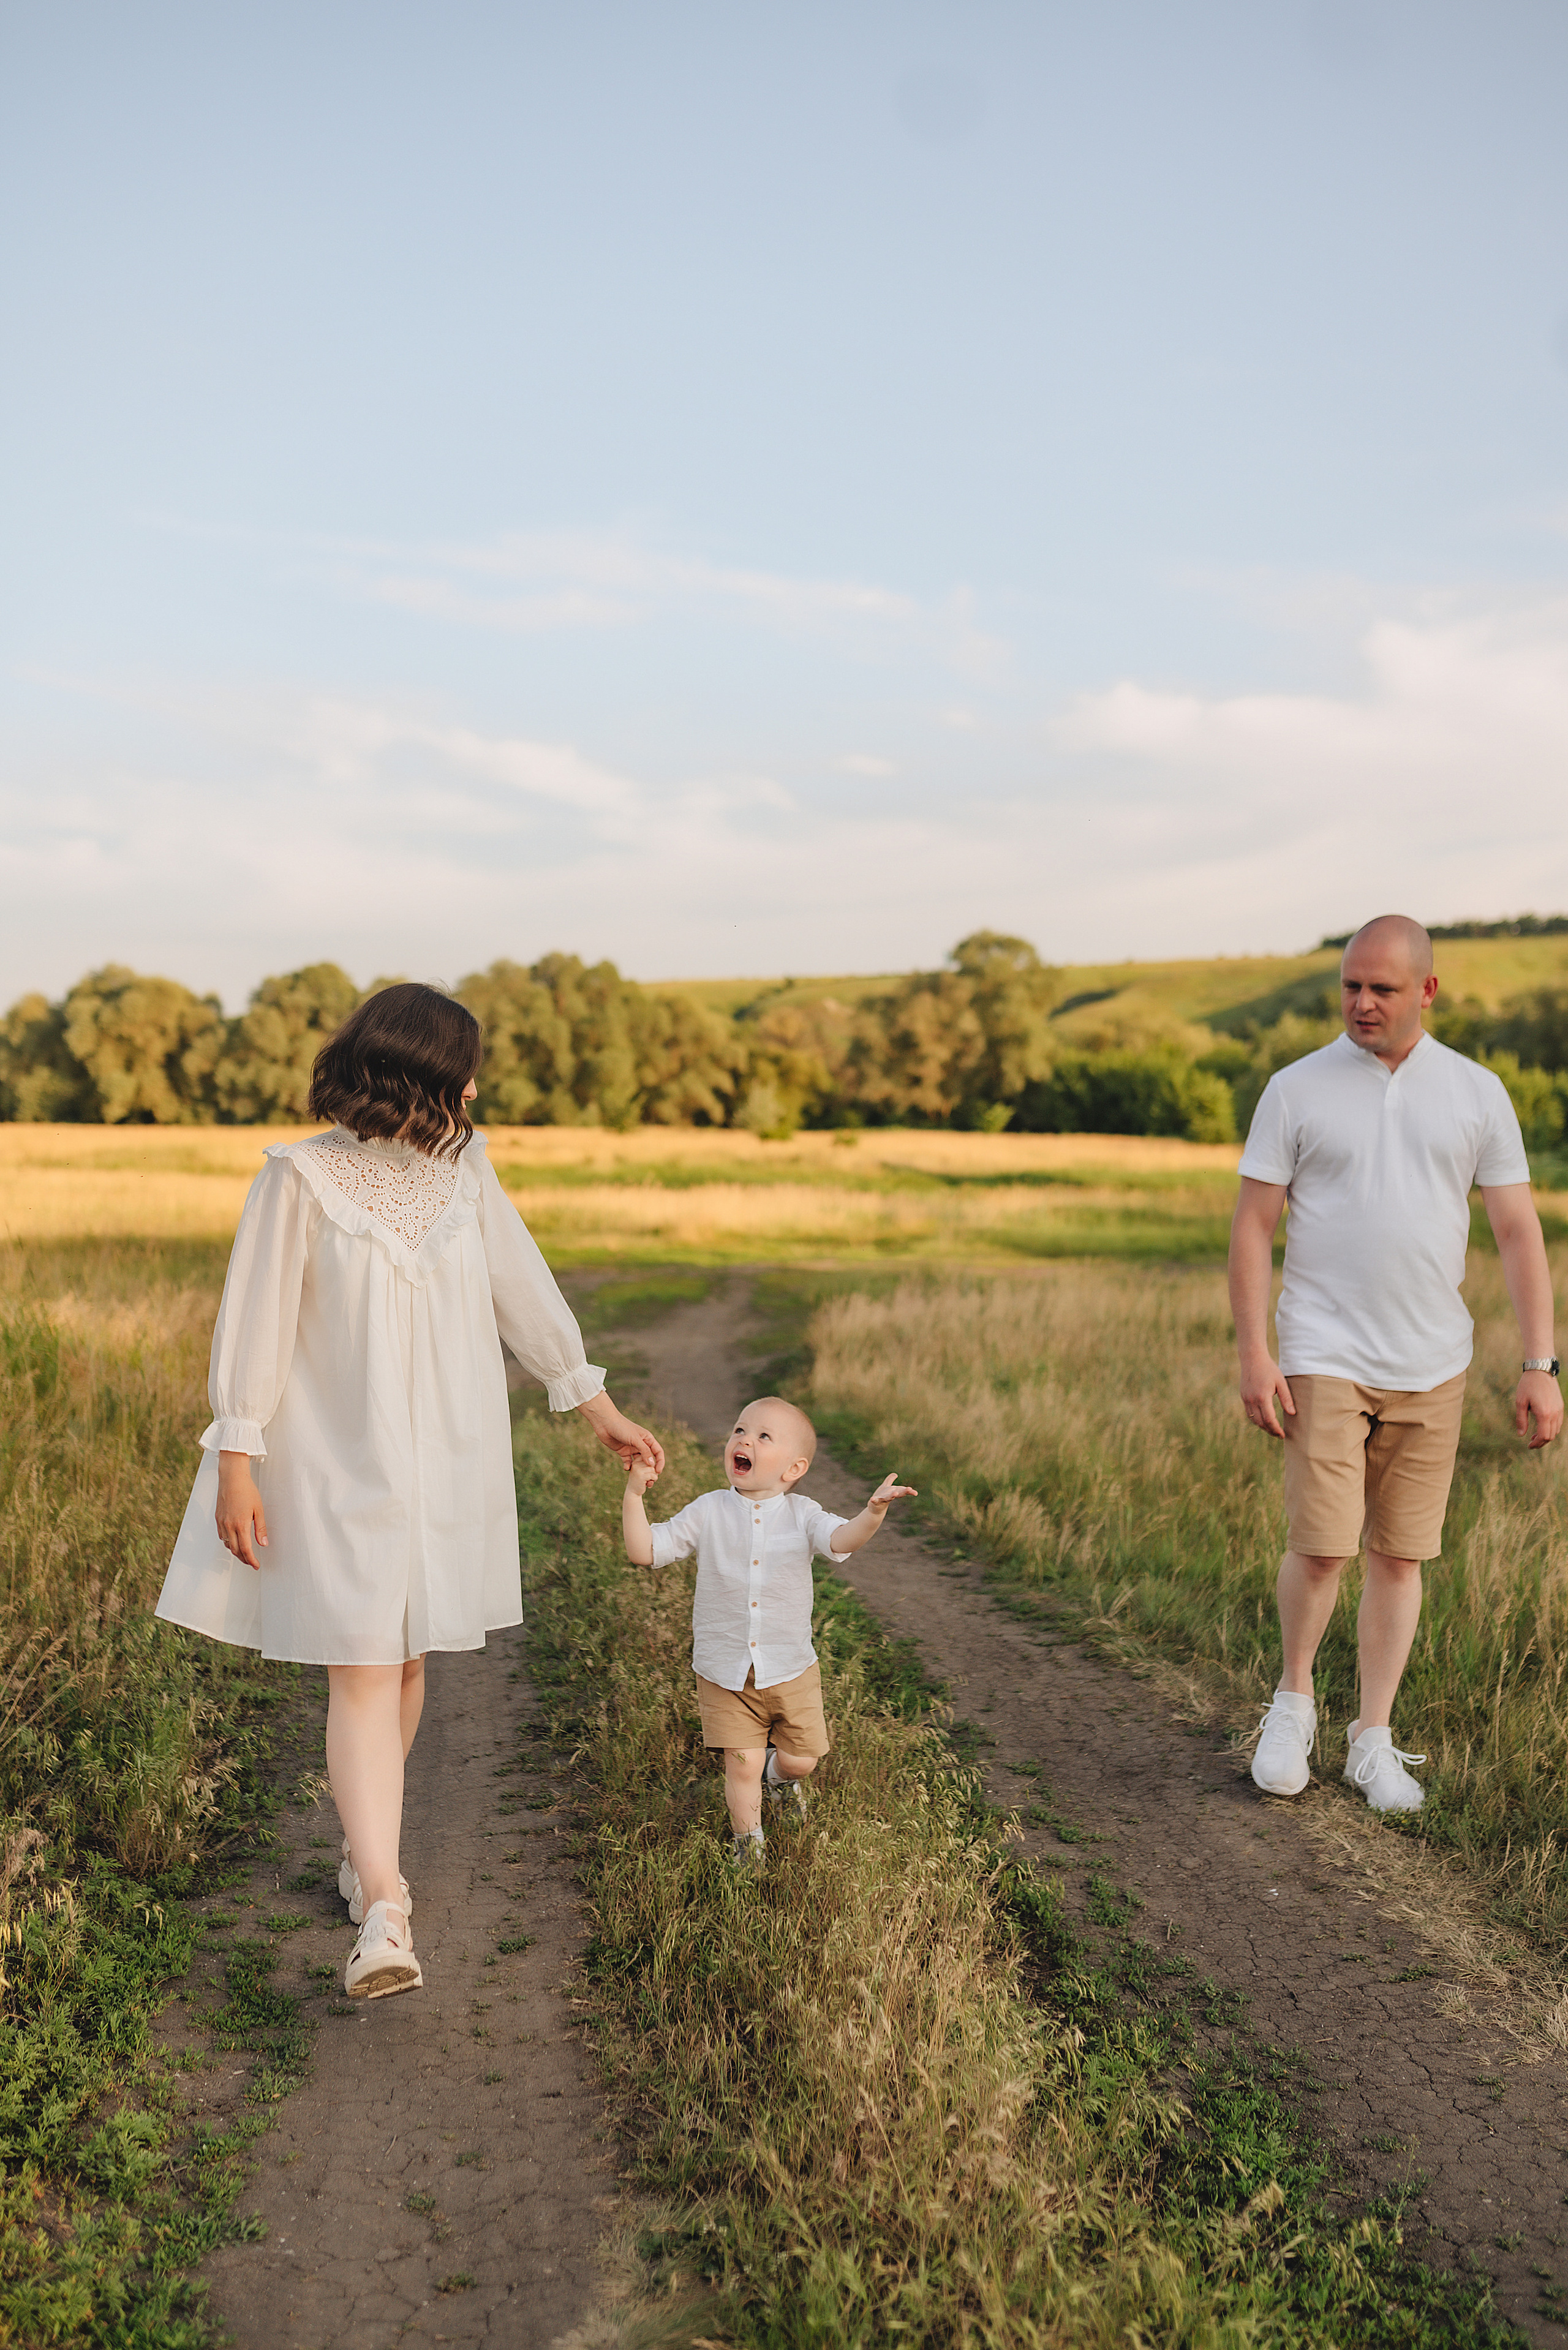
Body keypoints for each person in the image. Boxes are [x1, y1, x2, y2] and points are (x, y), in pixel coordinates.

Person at [156, 984, 663, 1998]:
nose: (477, 1085)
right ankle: (386, 1907)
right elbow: (250, 1321)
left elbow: (525, 1290)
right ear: (428, 1075)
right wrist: (238, 1460)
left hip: (450, 1455)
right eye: (467, 1066)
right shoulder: (297, 1177)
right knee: (360, 1662)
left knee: (410, 1652)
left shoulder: (466, 1171)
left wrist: (595, 1404)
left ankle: (363, 1848)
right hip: (337, 1457)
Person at [1230, 914, 1561, 1812]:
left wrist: (1542, 1362)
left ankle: (1372, 1736)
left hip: (1434, 1361)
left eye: (1381, 987)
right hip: (1322, 1350)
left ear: (1427, 991)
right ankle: (1292, 1703)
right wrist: (1258, 1352)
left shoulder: (1477, 1092)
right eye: (1350, 985)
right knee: (1325, 1542)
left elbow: (1517, 1231)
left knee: (1401, 1555)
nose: (1362, 1002)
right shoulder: (1296, 1089)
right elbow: (1255, 1227)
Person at [621, 1396, 914, 1867]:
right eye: (740, 1430)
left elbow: (841, 1540)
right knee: (742, 1763)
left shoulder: (803, 1514)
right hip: (724, 1672)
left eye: (763, 1436)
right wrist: (635, 1496)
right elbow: (645, 1550)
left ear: (793, 1468)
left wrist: (873, 1514)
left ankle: (783, 1779)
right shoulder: (709, 1510)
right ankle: (749, 1849)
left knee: (802, 1758)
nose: (744, 1440)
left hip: (790, 1668)